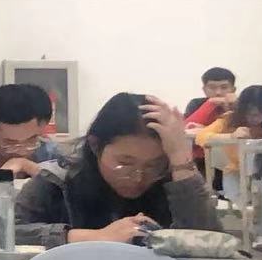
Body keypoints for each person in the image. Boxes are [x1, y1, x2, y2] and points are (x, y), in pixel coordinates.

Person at [13, 93, 215, 247]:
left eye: (153, 165)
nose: (138, 177)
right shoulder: (57, 180)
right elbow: (7, 233)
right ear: (95, 145)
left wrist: (180, 157)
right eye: (125, 163)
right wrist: (94, 237)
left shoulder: (176, 181)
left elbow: (208, 244)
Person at [196, 85, 262, 176]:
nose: (255, 118)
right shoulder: (229, 119)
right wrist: (231, 136)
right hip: (237, 171)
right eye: (251, 114)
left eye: (261, 114)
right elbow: (201, 136)